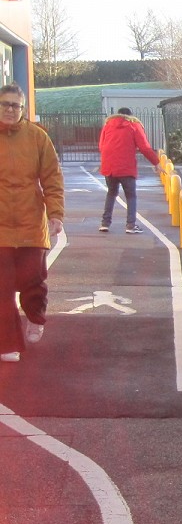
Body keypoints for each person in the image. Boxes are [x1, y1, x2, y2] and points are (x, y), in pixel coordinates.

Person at [0, 84, 64, 364]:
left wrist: (56, 213)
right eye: (4, 104)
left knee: (32, 282)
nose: (9, 109)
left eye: (15, 105)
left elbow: (52, 177)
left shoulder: (38, 137)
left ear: (23, 109)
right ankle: (7, 342)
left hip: (30, 225)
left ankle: (35, 316)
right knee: (2, 289)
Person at [97, 106, 159, 234]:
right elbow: (144, 147)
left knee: (111, 193)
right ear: (131, 115)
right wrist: (156, 162)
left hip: (109, 167)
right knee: (131, 196)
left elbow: (101, 146)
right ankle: (131, 225)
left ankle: (105, 223)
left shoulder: (108, 126)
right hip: (126, 167)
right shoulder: (134, 126)